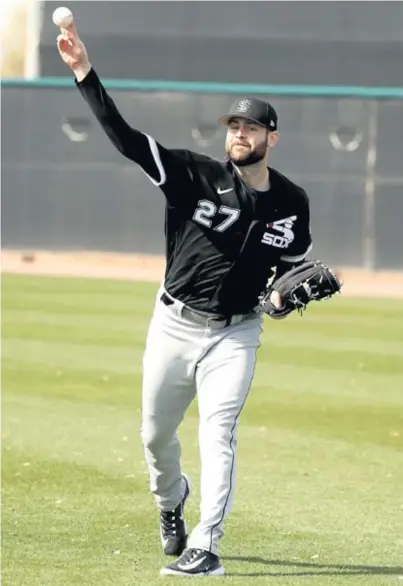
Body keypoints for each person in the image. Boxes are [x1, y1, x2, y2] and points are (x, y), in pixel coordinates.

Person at [56, 21, 312, 577]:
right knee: (154, 435)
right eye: (234, 126)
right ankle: (170, 499)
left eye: (251, 127)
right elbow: (125, 139)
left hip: (235, 333)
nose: (239, 134)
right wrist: (83, 73)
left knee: (218, 430)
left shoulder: (292, 203)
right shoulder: (190, 175)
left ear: (272, 137)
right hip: (173, 325)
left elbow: (288, 275)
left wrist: (282, 300)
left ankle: (206, 544)